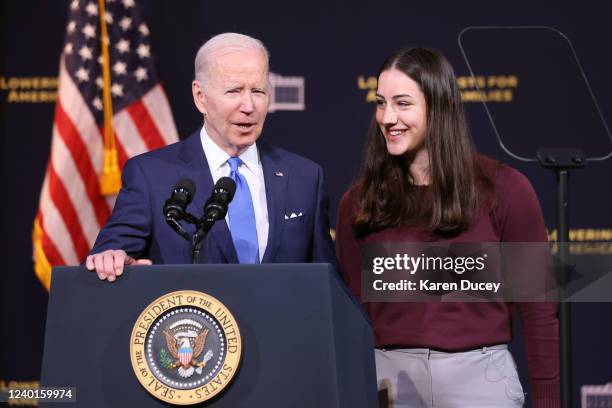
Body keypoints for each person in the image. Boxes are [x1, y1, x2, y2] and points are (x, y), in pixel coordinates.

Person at [336, 48, 559, 407]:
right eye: (380, 103)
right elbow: (353, 318)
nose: (388, 117)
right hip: (389, 381)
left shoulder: (505, 189)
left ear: (439, 107)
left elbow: (539, 310)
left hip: (482, 380)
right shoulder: (359, 203)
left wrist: (549, 401)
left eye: (403, 103)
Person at [86, 32, 337, 281]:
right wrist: (114, 260)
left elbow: (327, 286)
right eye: (234, 91)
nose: (249, 106)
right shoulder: (150, 176)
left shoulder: (305, 177)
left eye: (258, 91)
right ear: (200, 97)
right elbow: (109, 257)